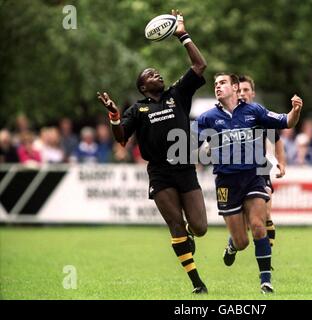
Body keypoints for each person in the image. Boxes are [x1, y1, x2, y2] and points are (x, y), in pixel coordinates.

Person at [97, 10, 209, 294]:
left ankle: (188, 234)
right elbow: (121, 138)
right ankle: (197, 284)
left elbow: (199, 65)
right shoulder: (138, 109)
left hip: (184, 167)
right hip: (159, 173)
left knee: (200, 226)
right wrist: (114, 115)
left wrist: (182, 34)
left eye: (156, 72)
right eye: (150, 75)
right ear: (143, 87)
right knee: (175, 226)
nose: (156, 74)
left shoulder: (177, 94)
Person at [197, 73, 303, 294]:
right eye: (215, 84)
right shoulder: (207, 118)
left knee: (258, 225)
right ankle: (232, 245)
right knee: (242, 241)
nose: (217, 87)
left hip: (253, 176)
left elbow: (286, 122)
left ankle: (266, 281)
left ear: (235, 87)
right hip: (226, 182)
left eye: (222, 83)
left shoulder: (254, 111)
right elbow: (188, 143)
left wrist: (296, 110)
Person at [238, 75, 285, 248]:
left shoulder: (260, 114)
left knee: (265, 214)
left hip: (260, 168)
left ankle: (266, 260)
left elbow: (276, 139)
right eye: (239, 90)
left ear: (252, 93)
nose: (242, 94)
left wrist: (281, 162)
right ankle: (233, 244)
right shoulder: (228, 116)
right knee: (244, 224)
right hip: (234, 171)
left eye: (246, 90)